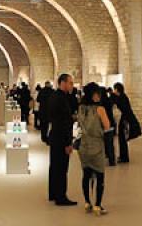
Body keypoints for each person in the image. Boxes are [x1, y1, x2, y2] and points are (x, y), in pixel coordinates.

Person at [78, 83, 111, 215]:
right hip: (96, 145)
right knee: (100, 176)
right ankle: (97, 205)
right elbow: (107, 126)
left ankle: (87, 202)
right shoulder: (100, 109)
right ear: (94, 94)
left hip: (84, 145)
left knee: (86, 175)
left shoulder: (81, 108)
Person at [46, 74, 76, 206]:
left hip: (55, 136)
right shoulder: (61, 98)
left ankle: (53, 193)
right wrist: (68, 143)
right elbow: (63, 123)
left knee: (54, 166)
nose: (72, 85)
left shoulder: (54, 96)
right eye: (70, 83)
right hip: (60, 137)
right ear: (62, 83)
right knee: (61, 168)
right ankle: (60, 197)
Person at [112, 82, 137, 163]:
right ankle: (123, 156)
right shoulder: (122, 96)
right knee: (122, 138)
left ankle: (124, 157)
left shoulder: (122, 97)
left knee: (123, 138)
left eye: (114, 89)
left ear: (117, 89)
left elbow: (122, 106)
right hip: (125, 117)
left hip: (125, 118)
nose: (113, 91)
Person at [100, 85, 117, 166]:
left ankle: (107, 157)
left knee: (105, 143)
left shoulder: (101, 103)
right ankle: (112, 160)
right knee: (110, 143)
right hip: (110, 124)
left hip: (104, 124)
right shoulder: (108, 100)